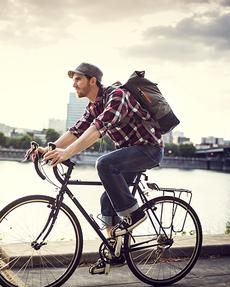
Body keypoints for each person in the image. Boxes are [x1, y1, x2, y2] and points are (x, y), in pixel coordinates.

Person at [32, 62, 164, 274]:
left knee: (104, 163)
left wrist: (67, 153)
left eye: (78, 79)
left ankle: (135, 216)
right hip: (129, 154)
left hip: (148, 150)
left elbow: (96, 129)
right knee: (107, 200)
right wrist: (48, 149)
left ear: (92, 80)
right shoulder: (94, 105)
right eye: (73, 80)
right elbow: (76, 131)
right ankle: (116, 252)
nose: (74, 84)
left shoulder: (117, 95)